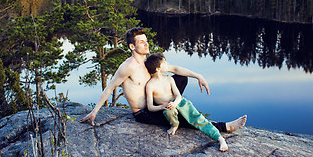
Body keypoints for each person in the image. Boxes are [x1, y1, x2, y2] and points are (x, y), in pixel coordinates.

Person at [79, 27, 247, 135]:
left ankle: (174, 106)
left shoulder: (149, 62)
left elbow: (175, 69)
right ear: (132, 47)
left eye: (146, 41)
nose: (146, 44)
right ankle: (224, 127)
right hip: (145, 113)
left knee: (181, 79)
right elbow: (109, 88)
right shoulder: (127, 67)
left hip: (160, 104)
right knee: (184, 119)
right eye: (141, 42)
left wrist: (198, 75)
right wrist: (94, 112)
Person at [145, 52, 231, 151]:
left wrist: (176, 103)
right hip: (166, 108)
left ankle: (219, 138)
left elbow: (178, 96)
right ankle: (174, 125)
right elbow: (150, 107)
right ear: (157, 69)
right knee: (169, 112)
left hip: (179, 103)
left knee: (197, 119)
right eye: (164, 63)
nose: (167, 64)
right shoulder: (150, 85)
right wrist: (162, 106)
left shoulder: (169, 79)